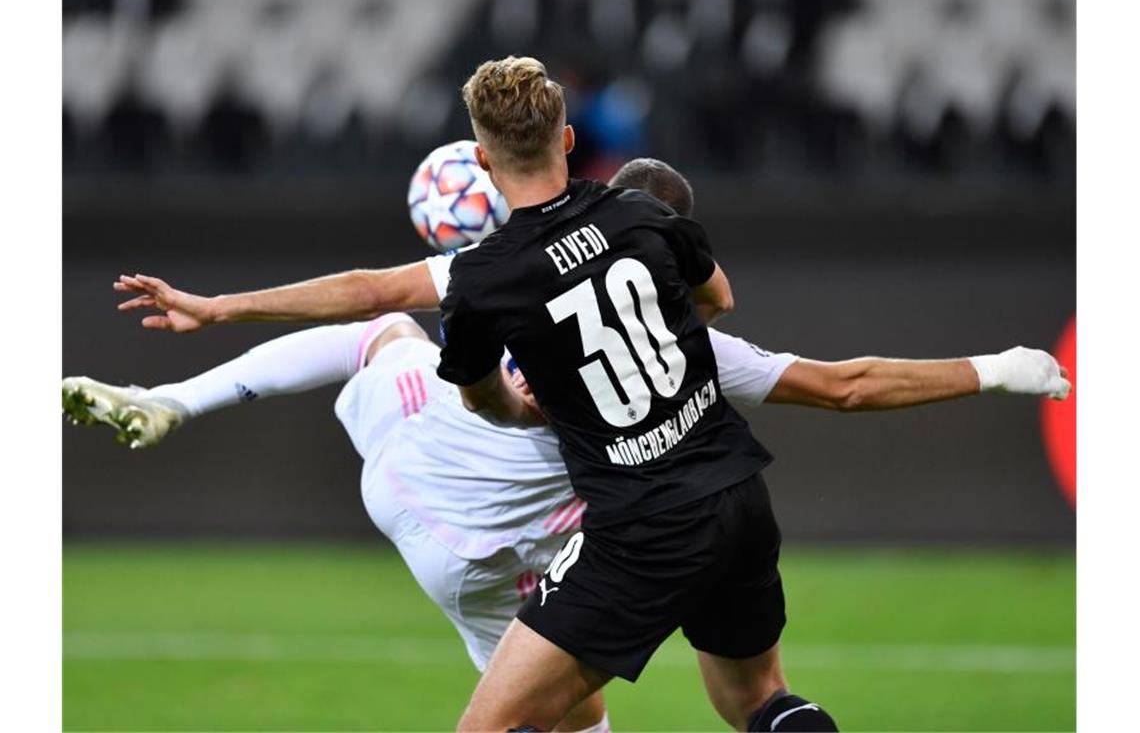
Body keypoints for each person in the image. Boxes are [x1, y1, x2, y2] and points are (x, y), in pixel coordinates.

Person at [95, 152, 1069, 732]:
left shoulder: (513, 276)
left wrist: (216, 315)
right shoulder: (704, 343)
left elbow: (372, 296)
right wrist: (999, 365)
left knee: (381, 338)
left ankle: (176, 398)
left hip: (448, 499)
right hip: (666, 513)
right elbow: (847, 384)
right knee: (739, 694)